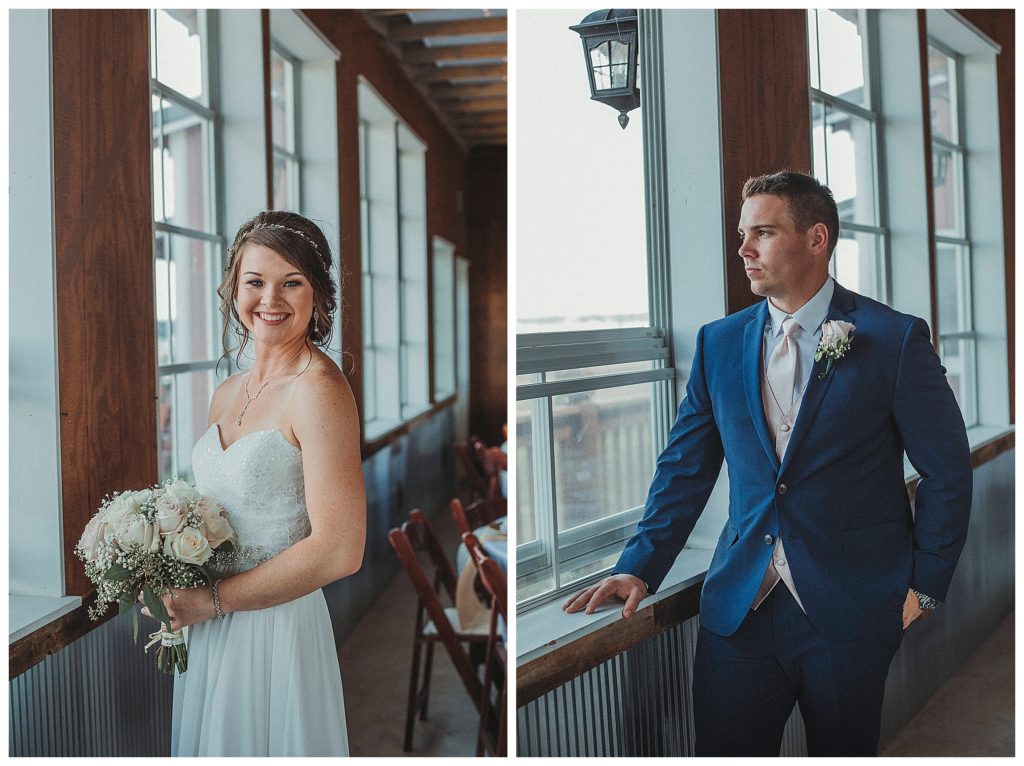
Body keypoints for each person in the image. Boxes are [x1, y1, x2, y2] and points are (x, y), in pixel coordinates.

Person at [562, 171, 972, 756]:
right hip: (740, 612)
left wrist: (925, 586)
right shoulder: (719, 343)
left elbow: (947, 472)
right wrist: (640, 565)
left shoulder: (894, 338)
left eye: (763, 232)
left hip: (854, 608)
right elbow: (685, 467)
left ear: (816, 239)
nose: (744, 250)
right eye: (741, 235)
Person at [140, 210, 366, 756]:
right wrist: (165, 566)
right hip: (212, 623)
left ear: (319, 295)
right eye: (256, 281)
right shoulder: (226, 392)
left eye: (292, 282)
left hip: (274, 627)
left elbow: (340, 550)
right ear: (233, 289)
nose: (272, 299)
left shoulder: (319, 391)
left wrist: (212, 601)